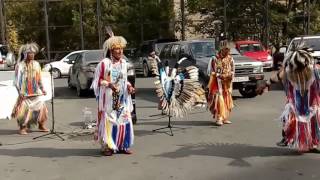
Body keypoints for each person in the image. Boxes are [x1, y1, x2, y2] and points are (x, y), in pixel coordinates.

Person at [257, 41, 320, 152]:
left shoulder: (314, 69)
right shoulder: (289, 69)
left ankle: (312, 143)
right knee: (292, 119)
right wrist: (265, 84)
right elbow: (277, 77)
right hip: (296, 100)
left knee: (313, 120)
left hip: (312, 100)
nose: (298, 72)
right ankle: (293, 139)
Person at [91, 34, 135, 156]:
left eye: (121, 48)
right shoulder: (104, 63)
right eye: (117, 48)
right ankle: (108, 146)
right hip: (109, 99)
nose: (120, 51)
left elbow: (125, 80)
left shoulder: (124, 63)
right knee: (109, 121)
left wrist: (129, 87)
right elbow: (97, 81)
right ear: (111, 50)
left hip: (122, 98)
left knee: (124, 120)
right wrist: (109, 84)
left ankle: (123, 145)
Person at [11, 43, 49, 135]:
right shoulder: (19, 65)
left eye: (33, 53)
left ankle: (41, 124)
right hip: (24, 93)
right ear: (25, 54)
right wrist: (20, 92)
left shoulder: (36, 64)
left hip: (36, 92)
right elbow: (16, 81)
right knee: (23, 110)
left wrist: (43, 89)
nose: (32, 55)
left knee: (42, 107)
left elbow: (39, 78)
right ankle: (23, 127)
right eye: (30, 53)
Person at [207, 44, 234, 126]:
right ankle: (219, 117)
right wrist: (218, 75)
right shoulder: (215, 59)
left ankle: (225, 117)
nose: (227, 52)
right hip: (217, 83)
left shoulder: (230, 58)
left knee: (226, 98)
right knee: (219, 99)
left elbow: (233, 69)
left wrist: (230, 76)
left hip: (227, 83)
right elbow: (210, 71)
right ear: (221, 50)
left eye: (228, 50)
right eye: (226, 50)